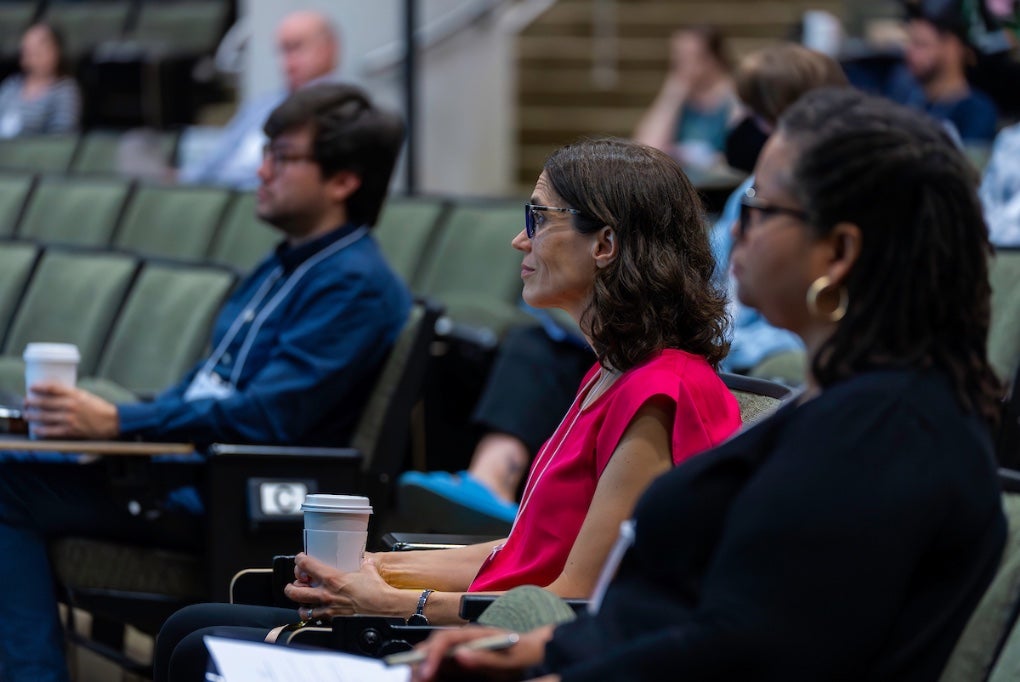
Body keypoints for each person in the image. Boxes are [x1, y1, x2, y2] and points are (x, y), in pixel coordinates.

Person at [410, 88, 1007, 682]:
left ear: (839, 251)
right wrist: (539, 651)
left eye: (760, 208)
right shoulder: (854, 406)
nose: (734, 230)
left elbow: (747, 652)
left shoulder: (883, 434)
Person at [153, 137, 743, 682]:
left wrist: (393, 601)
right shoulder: (610, 371)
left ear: (606, 243)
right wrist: (378, 567)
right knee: (187, 628)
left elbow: (574, 603)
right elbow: (520, 552)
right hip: (475, 622)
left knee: (196, 645)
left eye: (537, 218)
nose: (520, 239)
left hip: (497, 651)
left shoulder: (662, 392)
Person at [0, 82, 411, 682]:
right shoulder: (282, 263)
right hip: (182, 469)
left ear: (343, 181)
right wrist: (99, 426)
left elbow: (268, 417)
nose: (261, 169)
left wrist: (119, 424)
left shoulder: (354, 284)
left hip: (234, 496)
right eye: (265, 151)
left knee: (5, 488)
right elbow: (206, 386)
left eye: (283, 157)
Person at [710, 43, 850, 376]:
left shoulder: (832, 193)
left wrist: (723, 345)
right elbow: (712, 273)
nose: (742, 124)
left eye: (759, 116)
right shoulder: (748, 191)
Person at [175, 10, 340, 189]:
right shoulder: (261, 106)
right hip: (216, 197)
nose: (287, 62)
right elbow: (214, 160)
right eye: (283, 50)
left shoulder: (340, 109)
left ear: (328, 49)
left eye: (297, 47)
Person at [887, 3, 999, 145]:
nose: (909, 52)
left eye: (921, 44)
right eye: (908, 43)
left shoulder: (976, 112)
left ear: (951, 47)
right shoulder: (906, 101)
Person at [633, 26, 737, 170]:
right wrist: (673, 94)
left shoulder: (734, 97)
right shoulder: (678, 96)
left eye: (689, 57)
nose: (680, 66)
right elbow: (645, 150)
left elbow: (741, 154)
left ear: (712, 59)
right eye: (677, 58)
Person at [0, 22, 81, 137]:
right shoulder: (11, 85)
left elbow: (61, 136)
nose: (30, 53)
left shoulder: (64, 89)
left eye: (38, 48)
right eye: (27, 49)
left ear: (54, 52)